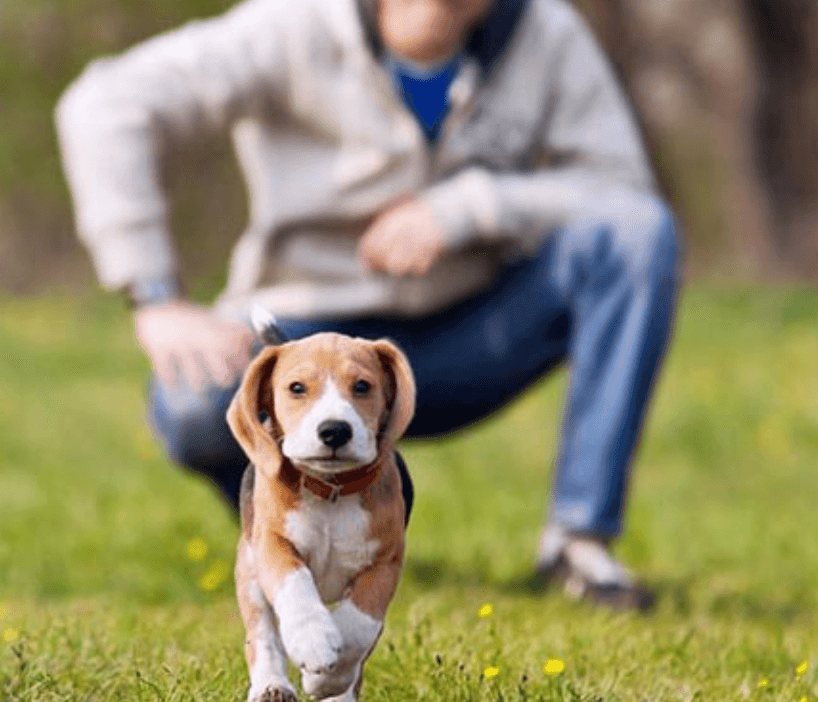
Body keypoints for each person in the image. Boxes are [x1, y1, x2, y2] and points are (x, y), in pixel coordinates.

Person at [55, 0, 680, 611]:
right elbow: (104, 104)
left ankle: (578, 547)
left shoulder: (546, 30)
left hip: (469, 336)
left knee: (634, 235)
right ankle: (288, 531)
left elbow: (620, 191)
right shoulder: (293, 22)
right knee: (193, 406)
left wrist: (466, 208)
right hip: (301, 325)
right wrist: (154, 294)